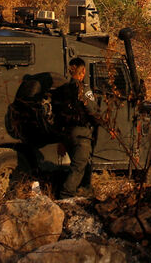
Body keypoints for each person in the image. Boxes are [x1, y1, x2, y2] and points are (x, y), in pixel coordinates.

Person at [52, 58, 102, 198]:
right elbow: (92, 110)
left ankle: (84, 193)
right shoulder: (83, 89)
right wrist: (105, 124)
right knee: (78, 167)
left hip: (67, 134)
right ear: (83, 71)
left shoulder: (62, 90)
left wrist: (60, 139)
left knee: (85, 165)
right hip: (82, 134)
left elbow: (57, 115)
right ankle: (66, 195)